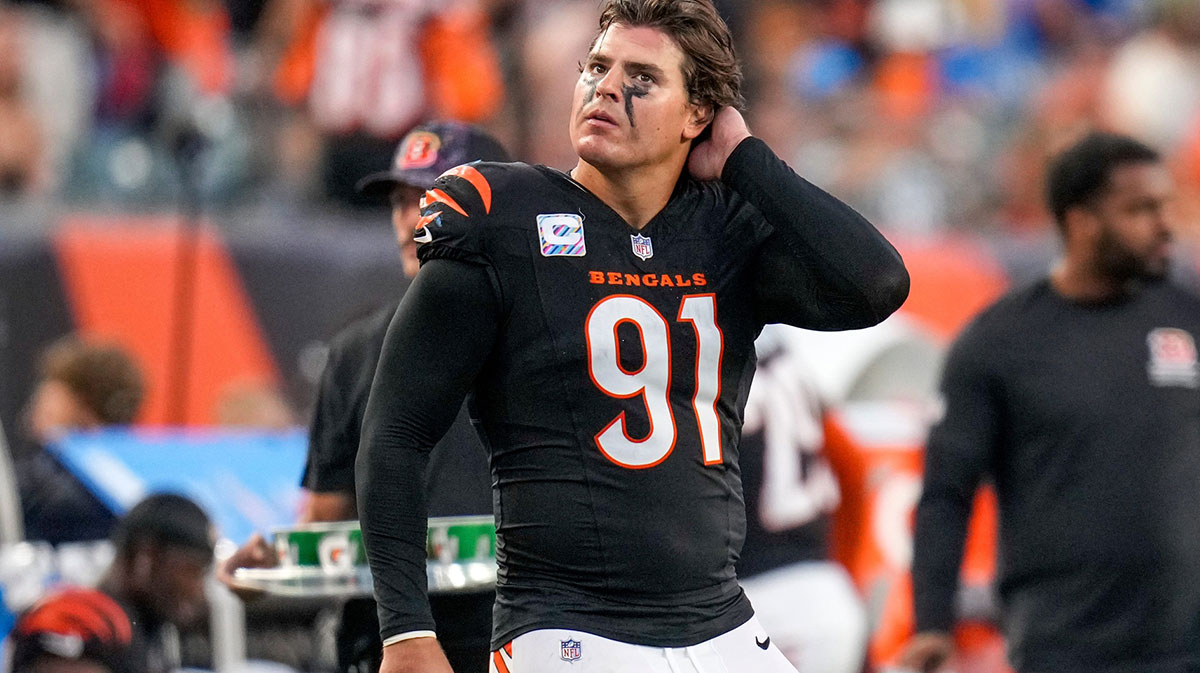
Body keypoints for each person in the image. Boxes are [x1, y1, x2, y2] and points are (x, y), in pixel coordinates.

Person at [355, 1, 909, 672]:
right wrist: (406, 628)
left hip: (721, 619)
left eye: (642, 76)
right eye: (596, 66)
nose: (606, 87)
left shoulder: (723, 230)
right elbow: (395, 429)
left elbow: (878, 283)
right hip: (568, 626)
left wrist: (746, 158)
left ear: (697, 115)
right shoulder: (503, 215)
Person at [900, 131, 1200, 673]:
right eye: (1141, 209)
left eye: (1165, 206)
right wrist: (932, 624)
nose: (1164, 225)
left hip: (1187, 643)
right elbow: (946, 494)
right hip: (1066, 646)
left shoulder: (1187, 314)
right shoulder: (998, 341)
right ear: (1083, 222)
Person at [218, 121, 509, 673]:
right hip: (394, 636)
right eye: (399, 201)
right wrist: (266, 566)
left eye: (428, 196)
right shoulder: (353, 354)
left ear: (496, 203)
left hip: (531, 628)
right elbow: (326, 522)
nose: (407, 217)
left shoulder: (550, 332)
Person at [736, 324, 868, 673]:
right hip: (828, 595)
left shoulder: (716, 367)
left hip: (758, 605)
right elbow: (852, 465)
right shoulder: (791, 362)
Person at [13, 493, 215, 673]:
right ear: (146, 557)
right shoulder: (83, 616)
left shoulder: (147, 633)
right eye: (193, 570)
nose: (199, 590)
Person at [15, 336, 145, 544]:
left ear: (84, 405)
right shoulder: (134, 476)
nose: (39, 401)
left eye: (52, 393)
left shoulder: (67, 489)